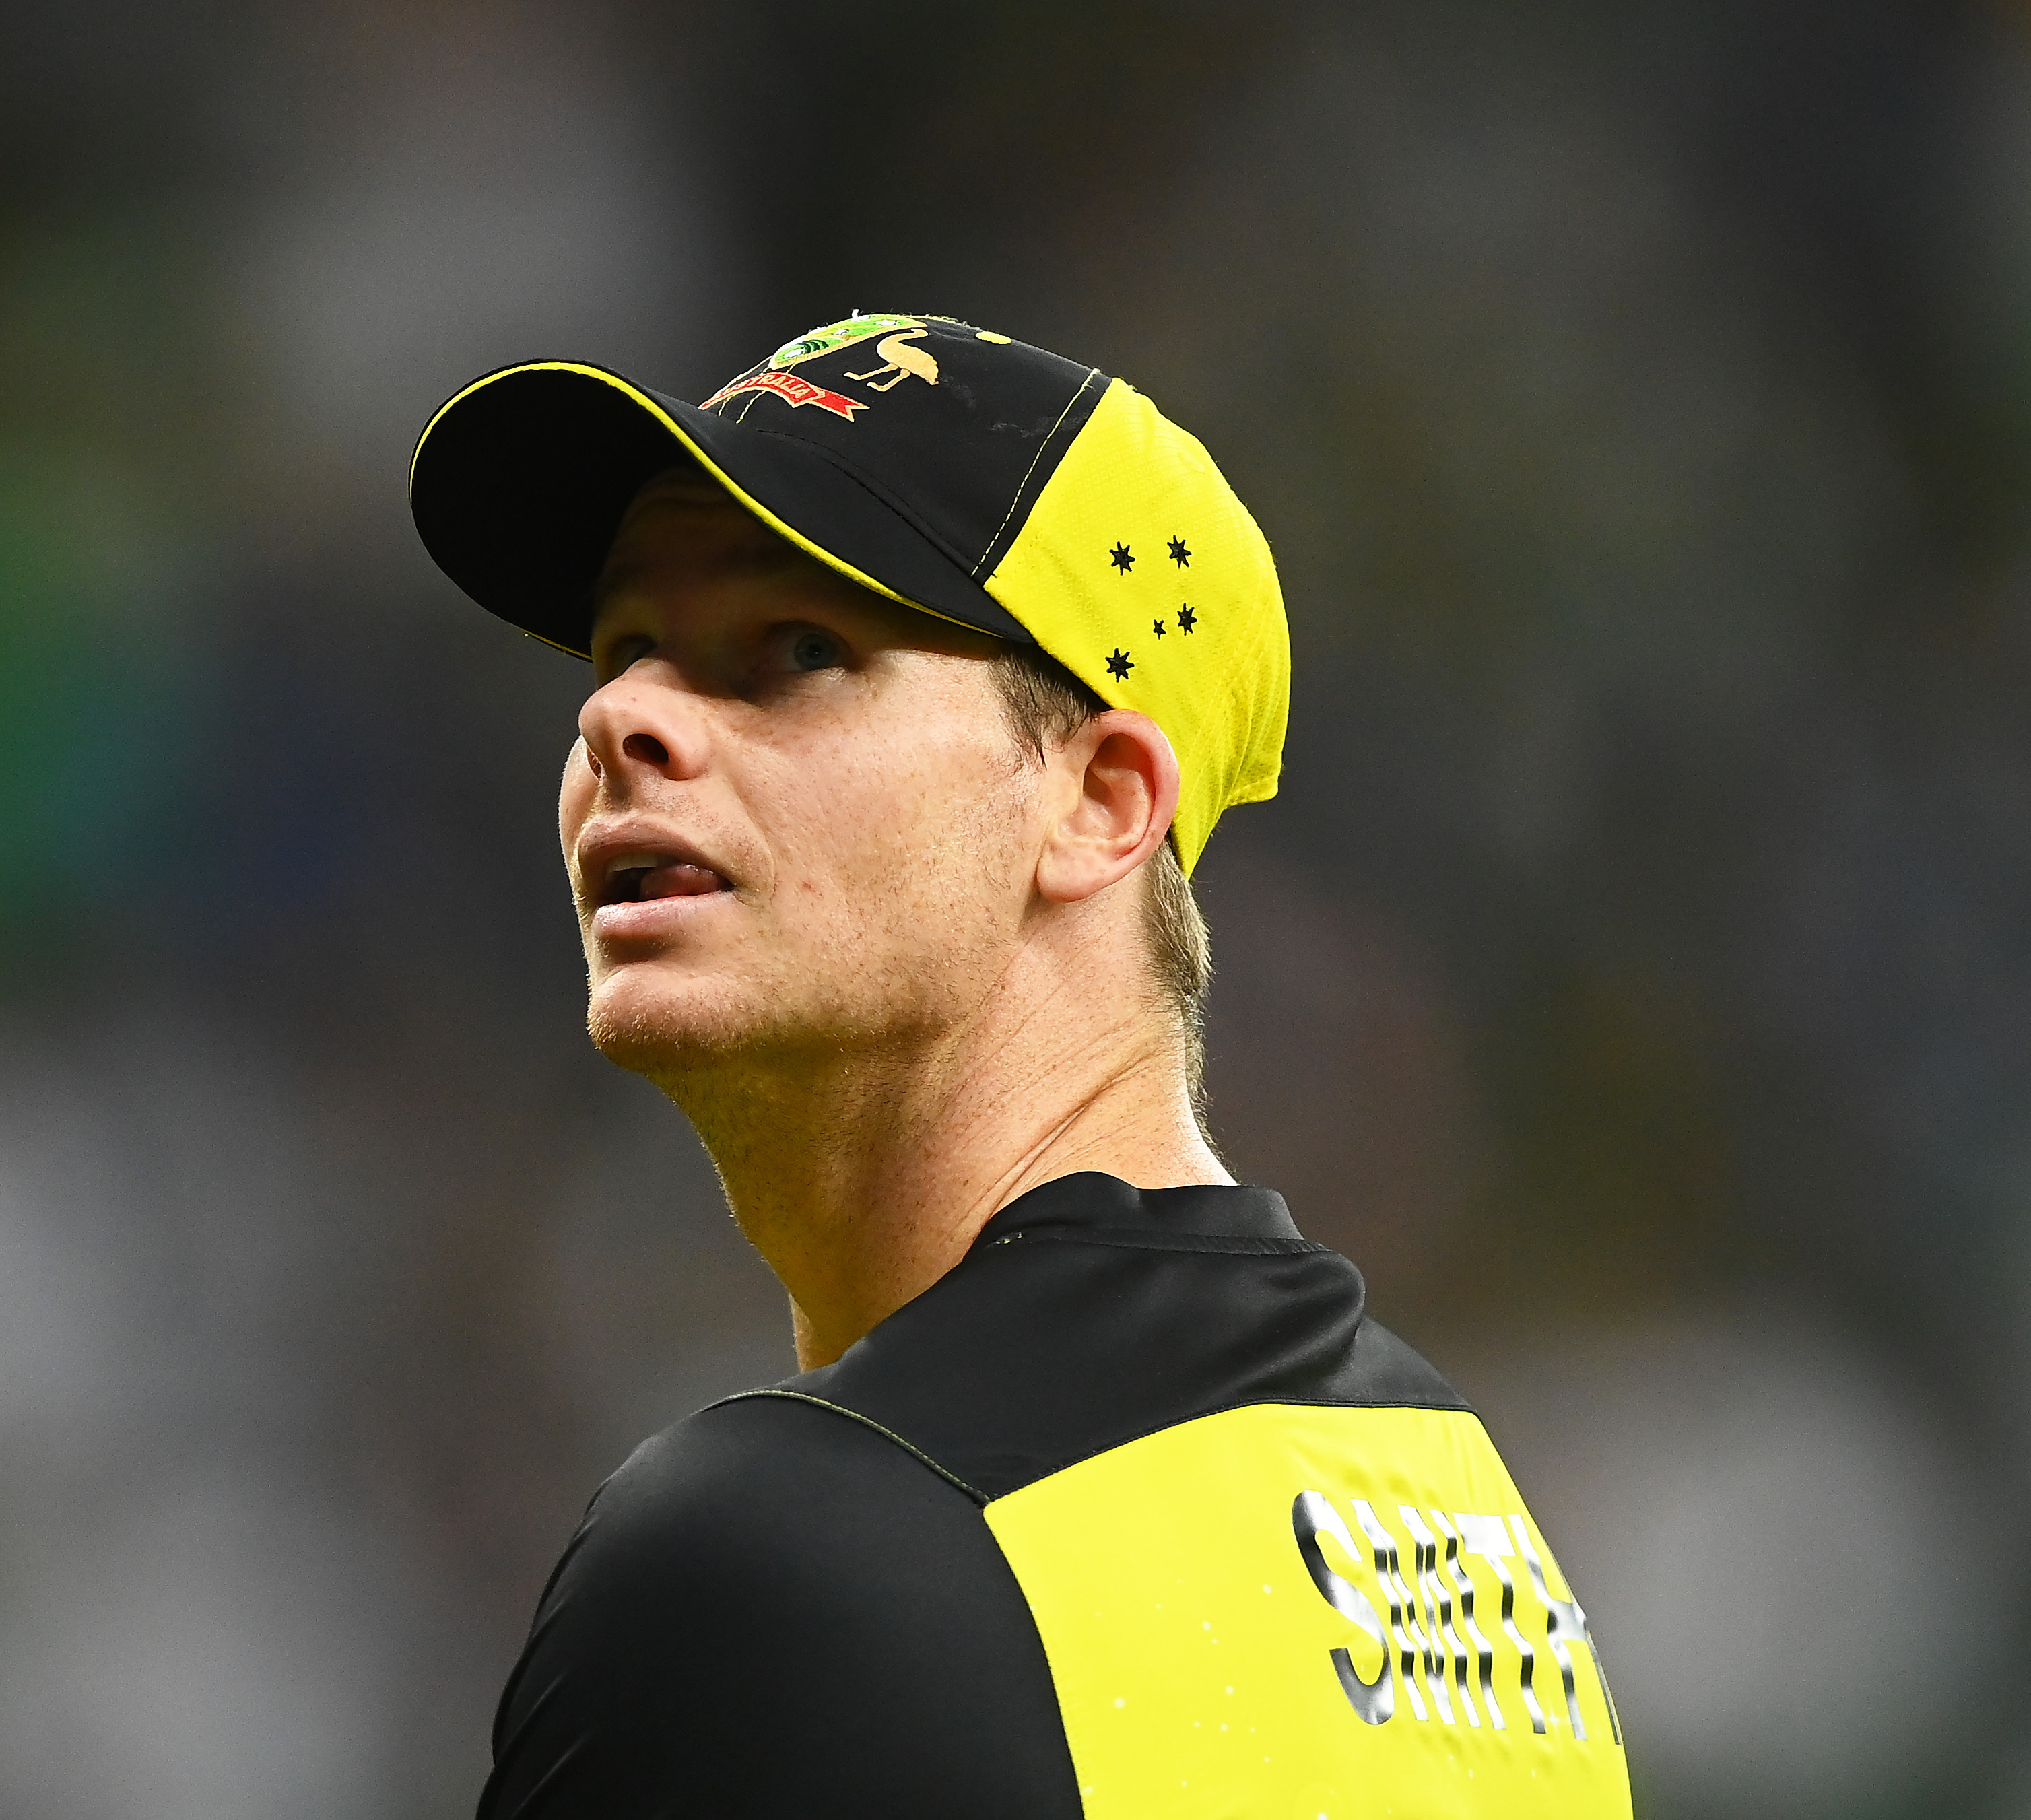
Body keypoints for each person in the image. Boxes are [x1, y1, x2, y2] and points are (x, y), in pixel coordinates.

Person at [408, 314, 1631, 1819]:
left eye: (798, 649)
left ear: (1100, 803)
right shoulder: (1456, 1522)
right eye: (624, 647)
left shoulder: (769, 1555)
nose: (620, 716)